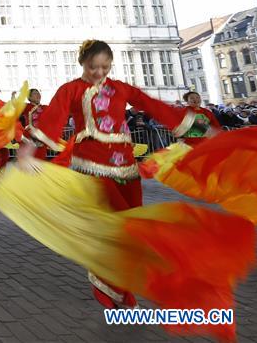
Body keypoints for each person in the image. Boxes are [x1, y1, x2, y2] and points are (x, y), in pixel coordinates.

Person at [27, 39, 194, 309]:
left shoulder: (120, 88)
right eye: (94, 67)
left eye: (105, 67)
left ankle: (122, 290)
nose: (99, 73)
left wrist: (193, 127)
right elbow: (53, 118)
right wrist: (27, 150)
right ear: (82, 63)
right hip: (91, 165)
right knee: (113, 229)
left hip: (125, 166)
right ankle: (116, 293)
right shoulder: (71, 90)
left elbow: (152, 105)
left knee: (130, 231)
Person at [21, 89, 48, 160]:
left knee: (40, 161)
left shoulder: (44, 107)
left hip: (41, 138)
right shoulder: (26, 106)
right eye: (35, 93)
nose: (38, 94)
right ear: (29, 98)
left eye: (38, 93)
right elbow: (15, 106)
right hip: (29, 138)